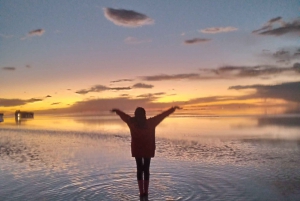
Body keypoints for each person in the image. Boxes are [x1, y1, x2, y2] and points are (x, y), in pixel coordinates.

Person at [111, 106, 181, 197]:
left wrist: (117, 110)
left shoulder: (132, 122)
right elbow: (162, 115)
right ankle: (146, 192)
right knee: (146, 170)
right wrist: (173, 109)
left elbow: (124, 116)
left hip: (137, 150)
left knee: (139, 169)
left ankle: (141, 192)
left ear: (136, 115)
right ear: (144, 115)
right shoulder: (150, 123)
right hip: (147, 150)